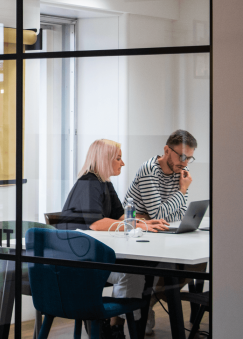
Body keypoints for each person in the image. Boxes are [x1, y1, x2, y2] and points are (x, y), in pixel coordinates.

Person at [59, 139, 169, 339]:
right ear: (105, 159)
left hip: (93, 255)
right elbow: (96, 224)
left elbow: (121, 216)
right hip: (79, 262)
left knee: (135, 272)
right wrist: (138, 225)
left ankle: (119, 325)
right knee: (133, 273)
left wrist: (146, 223)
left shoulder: (104, 183)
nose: (122, 163)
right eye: (118, 158)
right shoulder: (89, 182)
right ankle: (123, 325)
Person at [122, 129, 200, 335]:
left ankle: (146, 305)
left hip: (156, 232)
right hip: (134, 234)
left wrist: (175, 196)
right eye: (181, 156)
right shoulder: (150, 169)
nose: (184, 163)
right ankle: (140, 308)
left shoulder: (179, 173)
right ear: (167, 150)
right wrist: (182, 191)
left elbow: (177, 215)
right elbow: (159, 212)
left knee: (188, 265)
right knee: (166, 270)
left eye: (189, 158)